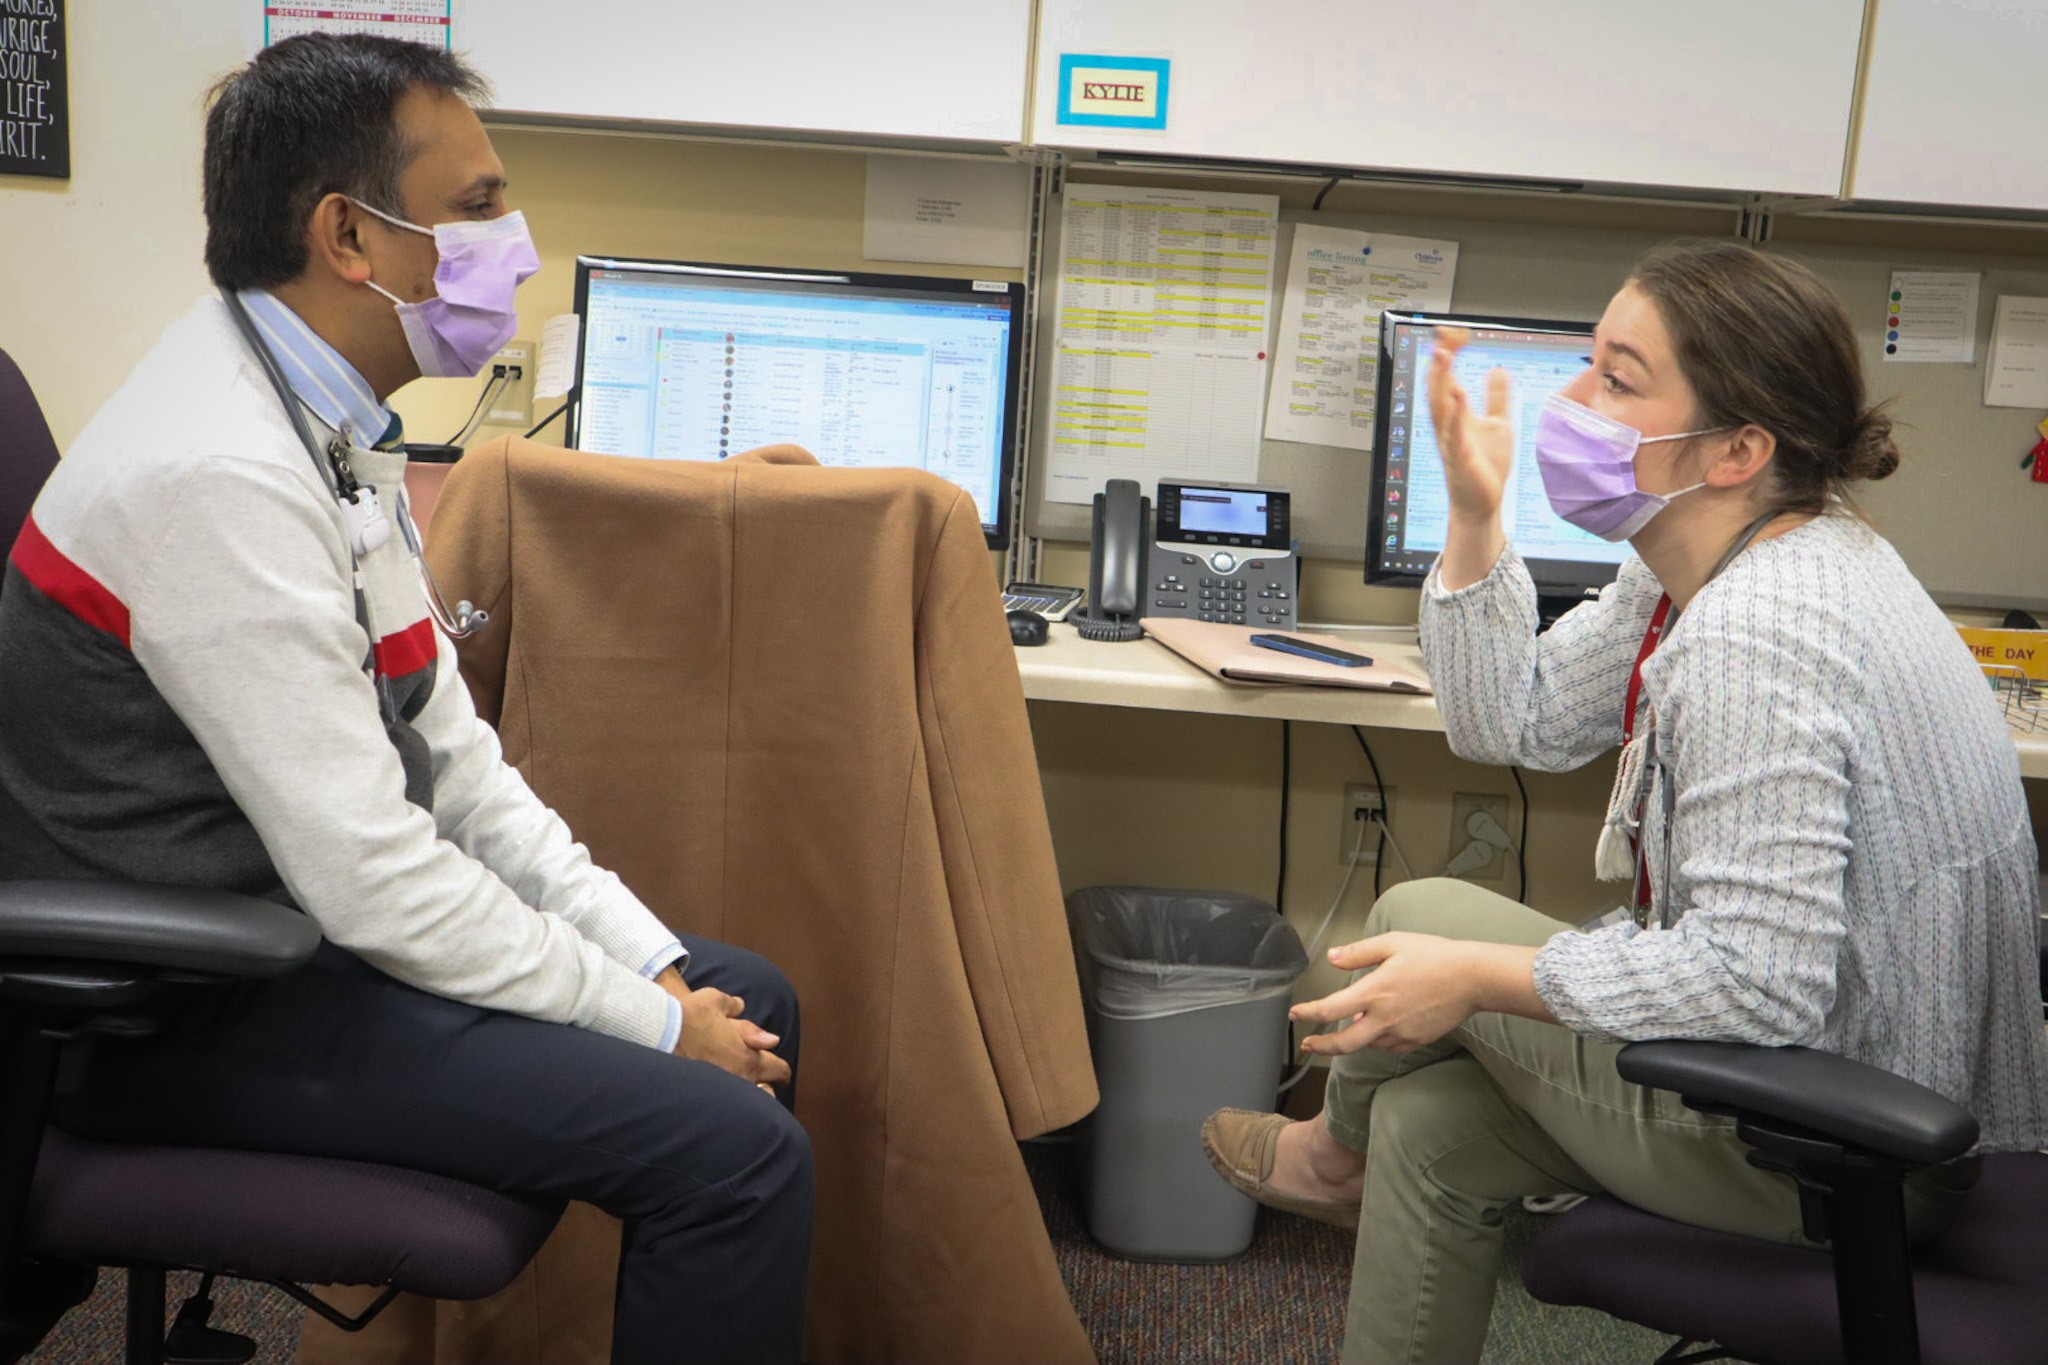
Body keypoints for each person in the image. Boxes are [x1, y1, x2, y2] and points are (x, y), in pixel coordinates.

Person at [0, 34, 811, 1364]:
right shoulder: (215, 472)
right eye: (482, 207)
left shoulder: (322, 422)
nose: (521, 251)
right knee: (735, 1155)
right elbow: (375, 873)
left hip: (286, 940)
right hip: (166, 1013)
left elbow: (459, 767)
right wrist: (660, 1030)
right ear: (349, 238)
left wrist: (659, 974)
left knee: (748, 994)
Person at [1202, 241, 2048, 1364]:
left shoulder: (1759, 634)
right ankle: (1344, 1150)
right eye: (1585, 365)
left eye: (1617, 378)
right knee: (1426, 1129)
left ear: (1738, 448)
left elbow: (1759, 976)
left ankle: (1322, 1153)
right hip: (1836, 1086)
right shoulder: (1737, 561)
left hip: (1846, 1139)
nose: (1573, 402)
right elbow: (1515, 722)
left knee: (1422, 918)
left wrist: (1478, 980)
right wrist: (1472, 514)